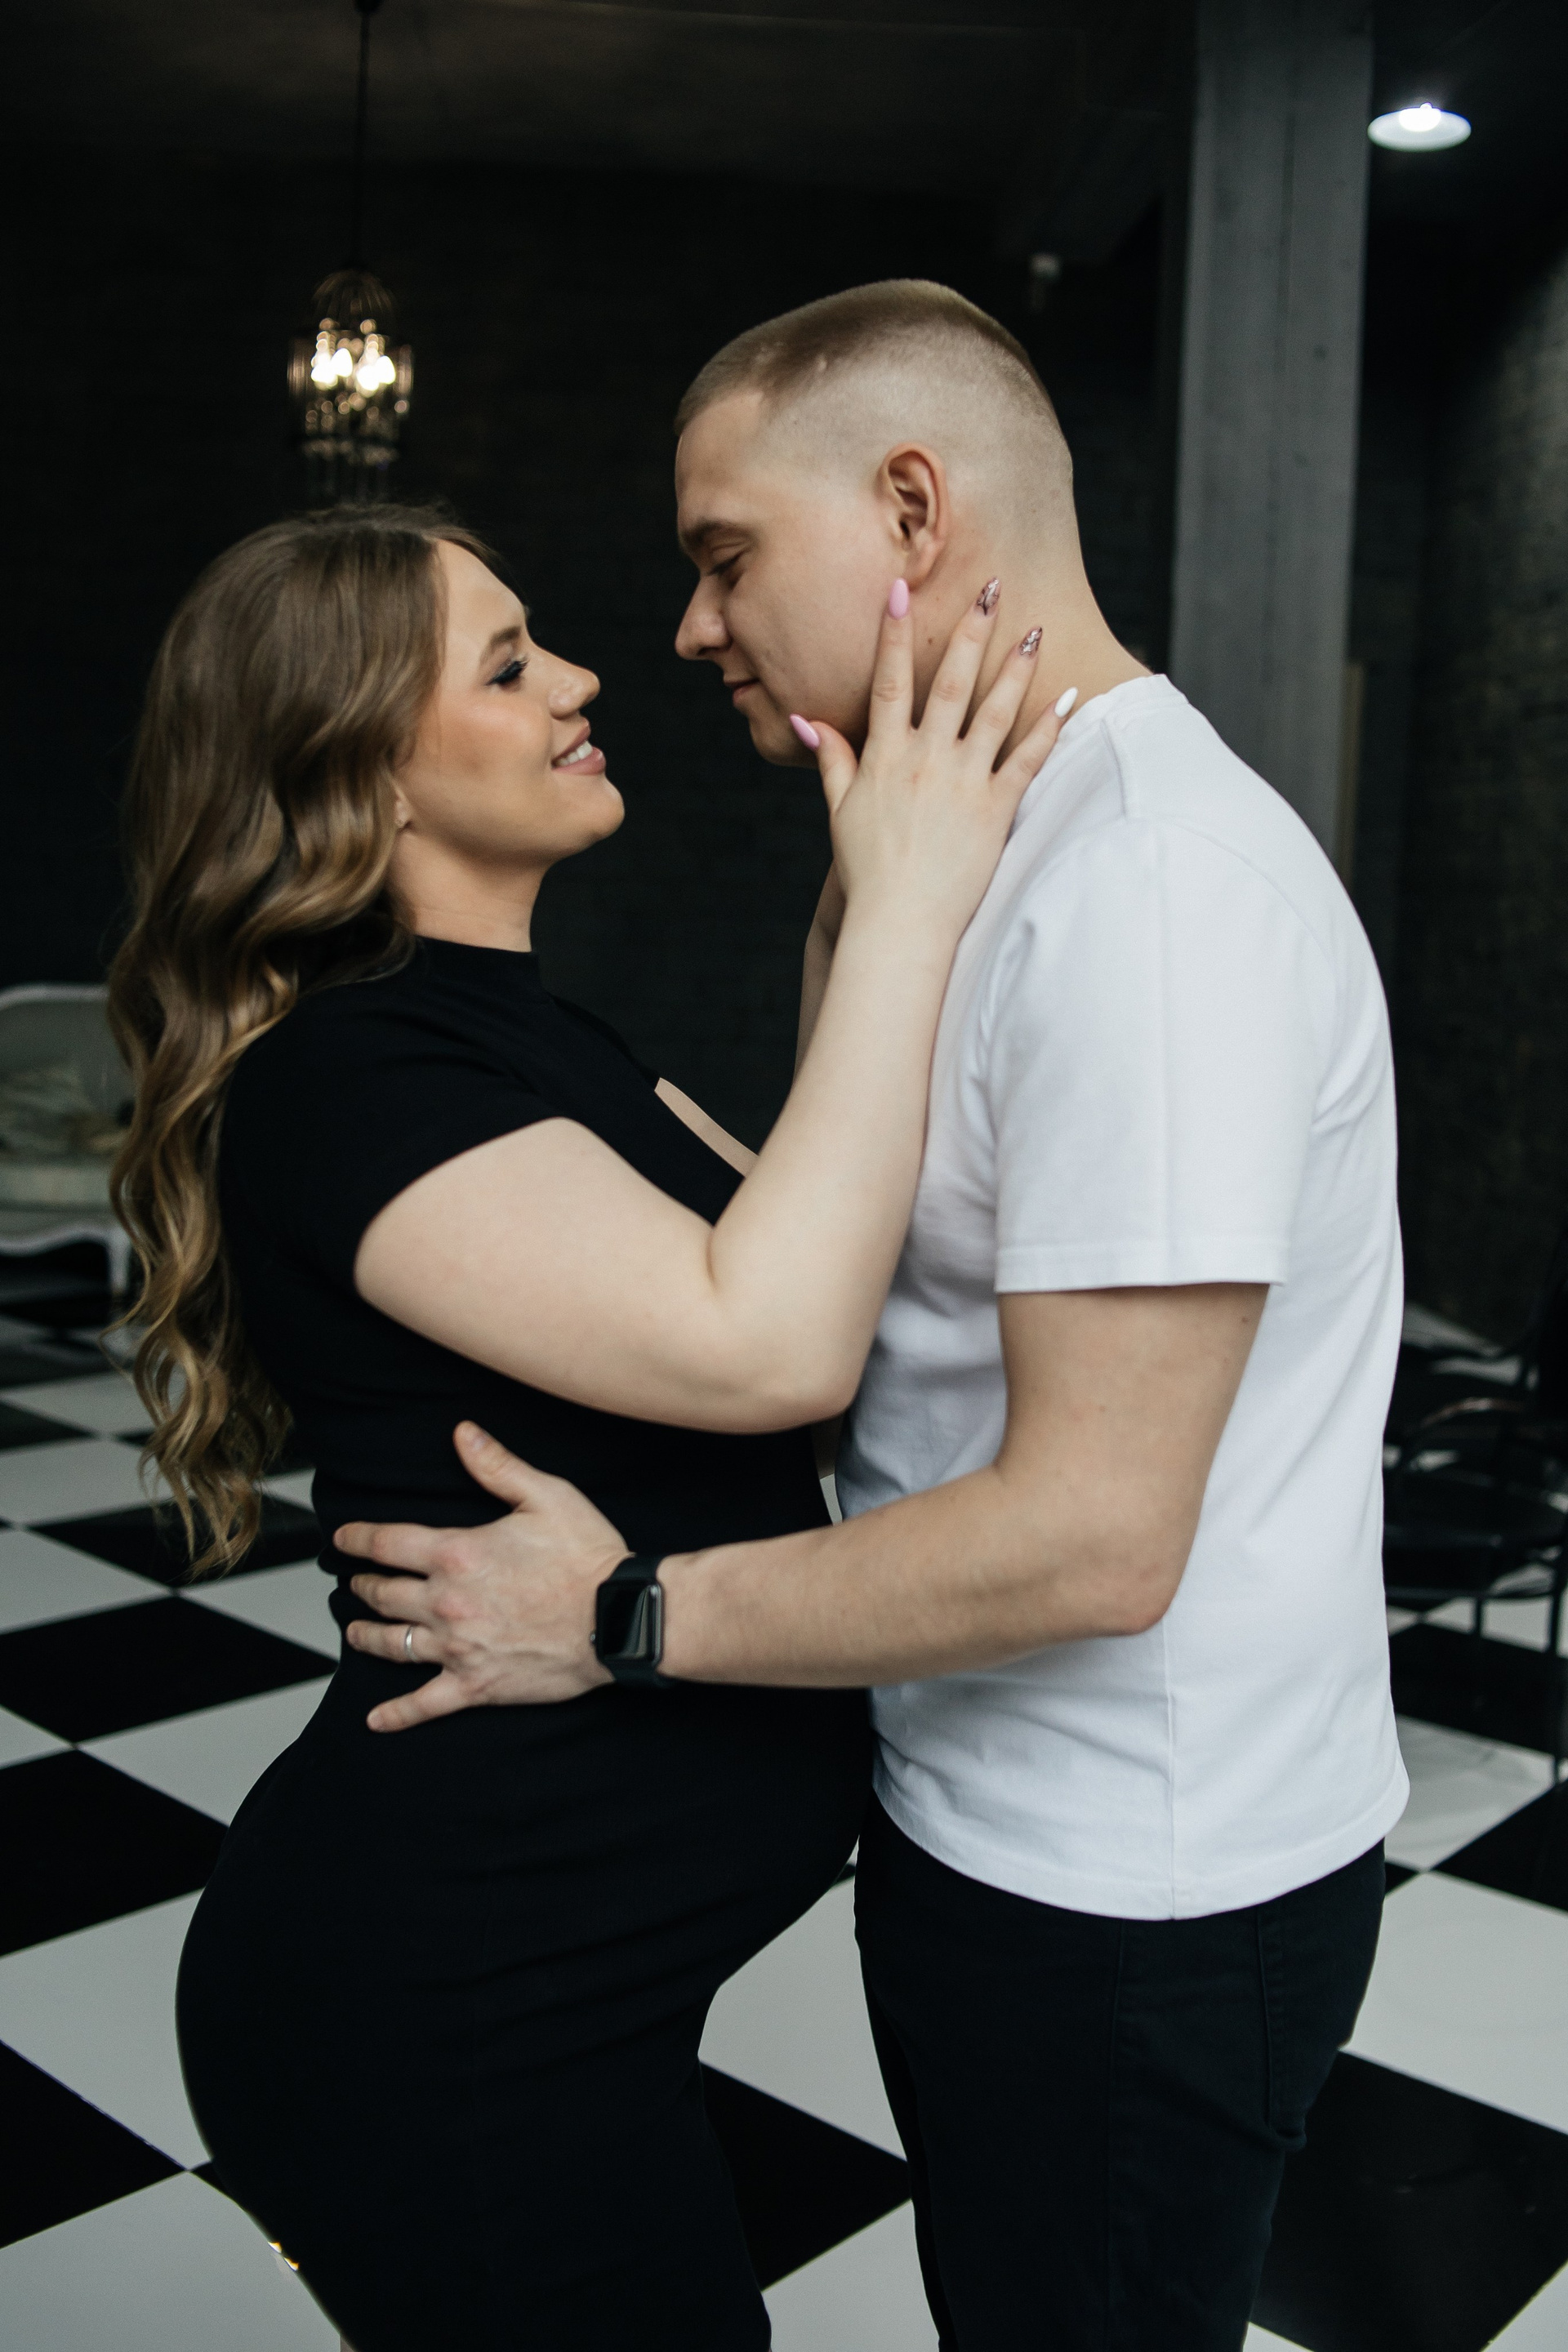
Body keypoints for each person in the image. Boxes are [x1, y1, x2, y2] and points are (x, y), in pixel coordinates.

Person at [339, 283, 1407, 2352]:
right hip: (991, 1828)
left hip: (1134, 1891)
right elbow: (879, 1300)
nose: (690, 629)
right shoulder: (973, 848)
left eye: (725, 556)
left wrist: (623, 1614)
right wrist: (860, 909)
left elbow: (1093, 1538)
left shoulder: (1150, 898)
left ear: (911, 513)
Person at [107, 497, 1068, 2351]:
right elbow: (773, 1348)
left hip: (556, 1996)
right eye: (507, 665)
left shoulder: (539, 1039)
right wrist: (911, 889)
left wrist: (865, 893)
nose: (582, 680)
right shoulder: (353, 1074)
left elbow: (828, 1274)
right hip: (436, 2011)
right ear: (365, 776)